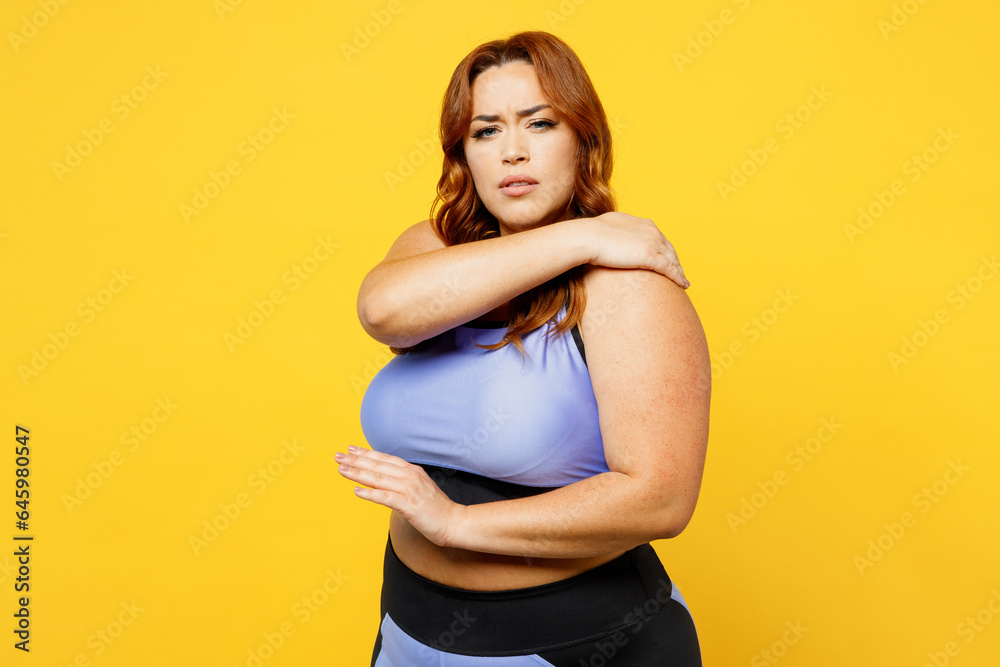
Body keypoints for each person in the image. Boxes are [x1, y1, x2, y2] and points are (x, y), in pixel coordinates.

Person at [337, 30, 710, 666]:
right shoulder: (436, 246)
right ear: (464, 154)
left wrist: (456, 524)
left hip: (579, 645)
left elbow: (662, 500)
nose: (513, 151)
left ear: (582, 140)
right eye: (486, 131)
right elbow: (383, 312)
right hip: (408, 629)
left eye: (540, 123)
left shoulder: (626, 287)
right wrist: (580, 238)